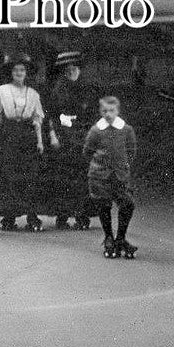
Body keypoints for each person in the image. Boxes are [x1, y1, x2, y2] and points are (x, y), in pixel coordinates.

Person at [0, 55, 47, 232]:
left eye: (22, 70)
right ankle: (9, 215)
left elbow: (38, 117)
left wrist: (40, 141)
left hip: (27, 136)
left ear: (26, 73)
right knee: (8, 175)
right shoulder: (1, 91)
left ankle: (32, 215)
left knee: (30, 176)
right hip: (9, 135)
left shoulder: (33, 94)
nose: (19, 73)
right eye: (15, 70)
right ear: (11, 73)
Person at [39, 51, 97, 230]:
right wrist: (53, 134)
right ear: (64, 71)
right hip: (63, 134)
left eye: (75, 68)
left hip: (81, 134)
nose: (73, 72)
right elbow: (50, 114)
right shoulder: (57, 89)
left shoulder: (86, 89)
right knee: (63, 175)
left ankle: (82, 214)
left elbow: (92, 113)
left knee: (82, 176)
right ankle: (62, 214)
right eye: (69, 69)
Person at [84, 96, 139, 259]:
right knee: (103, 205)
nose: (108, 114)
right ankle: (108, 237)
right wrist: (100, 165)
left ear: (118, 111)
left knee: (127, 204)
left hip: (119, 176)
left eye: (112, 111)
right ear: (100, 112)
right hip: (100, 176)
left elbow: (131, 151)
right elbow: (87, 151)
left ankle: (120, 238)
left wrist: (122, 166)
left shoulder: (126, 129)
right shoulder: (96, 130)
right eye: (105, 111)